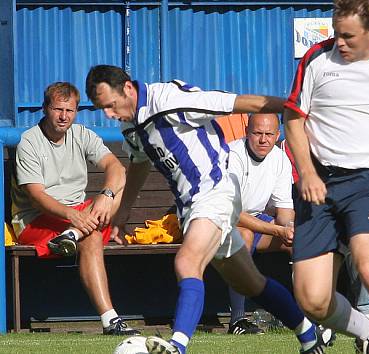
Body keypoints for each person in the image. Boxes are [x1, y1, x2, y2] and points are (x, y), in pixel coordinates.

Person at [85, 65, 333, 354]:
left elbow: (242, 103)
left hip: (216, 190)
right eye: (103, 109)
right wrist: (124, 210)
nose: (109, 115)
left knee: (187, 262)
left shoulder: (168, 99)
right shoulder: (129, 125)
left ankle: (177, 346)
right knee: (251, 283)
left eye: (111, 105)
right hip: (192, 206)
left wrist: (301, 110)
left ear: (128, 89)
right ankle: (308, 336)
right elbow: (140, 161)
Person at [284, 0, 369, 352]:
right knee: (312, 299)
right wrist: (308, 172)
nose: (339, 42)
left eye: (348, 36)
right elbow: (294, 118)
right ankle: (365, 329)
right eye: (335, 34)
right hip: (319, 186)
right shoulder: (316, 59)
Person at [10, 82, 139, 336]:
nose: (63, 116)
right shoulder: (29, 142)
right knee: (91, 235)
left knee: (120, 184)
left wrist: (105, 195)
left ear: (76, 111)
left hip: (77, 219)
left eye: (69, 111)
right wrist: (75, 216)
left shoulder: (82, 134)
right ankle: (110, 320)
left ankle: (72, 236)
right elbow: (37, 198)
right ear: (45, 108)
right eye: (58, 109)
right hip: (36, 221)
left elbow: (116, 167)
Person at [225, 113, 295, 335]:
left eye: (269, 134)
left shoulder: (280, 158)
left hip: (255, 221)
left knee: (300, 240)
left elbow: (284, 211)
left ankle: (307, 313)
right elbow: (232, 213)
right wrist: (277, 229)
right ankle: (237, 320)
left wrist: (289, 228)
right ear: (247, 131)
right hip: (217, 222)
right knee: (243, 236)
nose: (263, 139)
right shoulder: (231, 155)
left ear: (278, 134)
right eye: (257, 133)